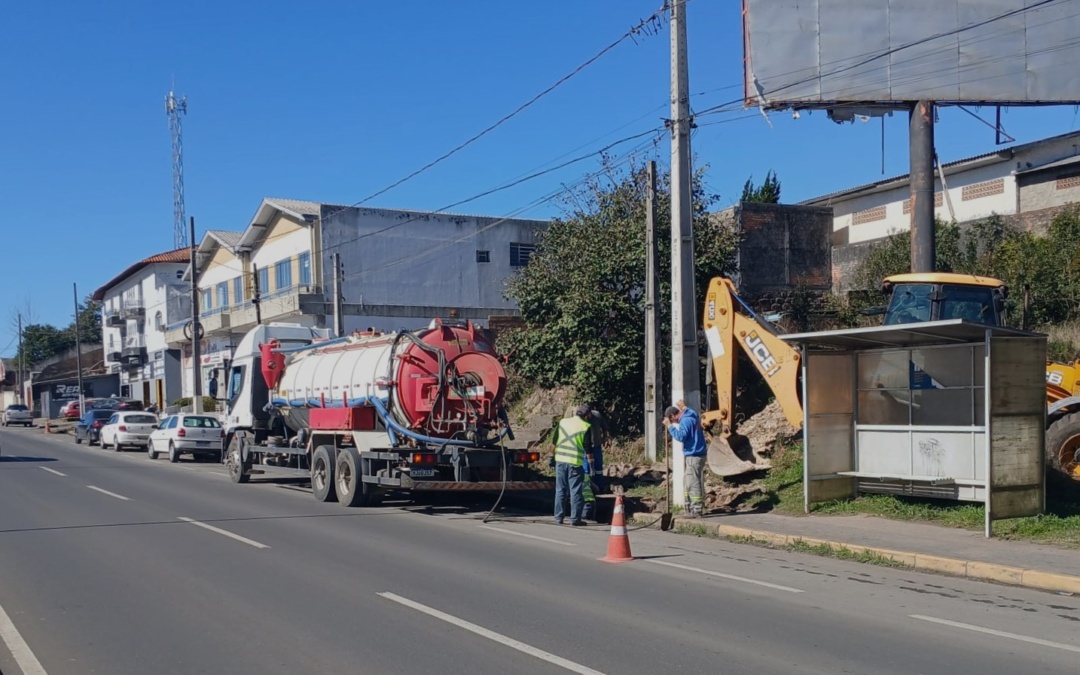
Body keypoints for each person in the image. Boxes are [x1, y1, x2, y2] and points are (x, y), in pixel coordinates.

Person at [664, 402, 707, 517]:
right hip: (695, 454)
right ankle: (689, 507)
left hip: (694, 454)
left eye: (672, 420)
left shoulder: (685, 420)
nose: (674, 422)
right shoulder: (691, 415)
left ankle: (696, 509)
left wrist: (670, 427)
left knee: (693, 482)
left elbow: (681, 436)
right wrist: (684, 407)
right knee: (687, 481)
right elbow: (692, 412)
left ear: (673, 416)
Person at [552, 404, 592, 526]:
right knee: (575, 491)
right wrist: (591, 464)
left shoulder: (563, 422)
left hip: (560, 461)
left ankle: (558, 518)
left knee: (560, 490)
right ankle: (575, 519)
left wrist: (551, 457)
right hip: (574, 463)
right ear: (587, 415)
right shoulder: (585, 426)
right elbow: (588, 447)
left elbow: (554, 442)